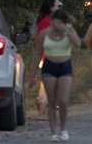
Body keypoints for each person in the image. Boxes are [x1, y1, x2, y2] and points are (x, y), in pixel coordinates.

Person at [32, 9, 82, 142]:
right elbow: (37, 53)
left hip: (65, 66)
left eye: (60, 22)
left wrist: (67, 31)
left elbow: (78, 44)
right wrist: (32, 74)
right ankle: (53, 131)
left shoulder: (69, 31)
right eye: (55, 22)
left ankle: (63, 128)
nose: (57, 25)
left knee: (63, 100)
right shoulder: (44, 33)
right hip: (49, 66)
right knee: (52, 100)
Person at [32, 0, 63, 120]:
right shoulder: (46, 22)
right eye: (57, 6)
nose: (59, 8)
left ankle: (44, 110)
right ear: (51, 8)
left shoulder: (48, 21)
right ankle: (41, 112)